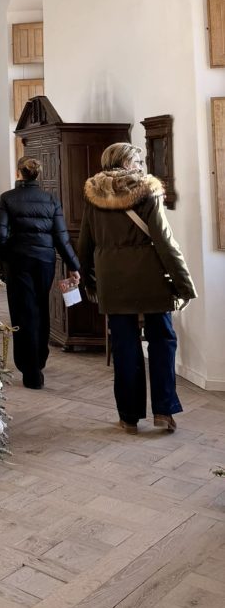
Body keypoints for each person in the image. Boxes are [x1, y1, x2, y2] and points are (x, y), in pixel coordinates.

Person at [78, 143, 196, 433]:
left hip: (112, 282)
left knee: (124, 347)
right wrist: (184, 285)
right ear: (128, 162)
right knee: (163, 342)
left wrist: (90, 281)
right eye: (138, 160)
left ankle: (129, 416)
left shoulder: (93, 193)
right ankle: (164, 411)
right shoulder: (147, 190)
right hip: (150, 279)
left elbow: (85, 244)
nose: (141, 165)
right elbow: (165, 242)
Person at [0, 156, 80, 389]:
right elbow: (61, 237)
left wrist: (5, 260)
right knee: (41, 307)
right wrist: (73, 265)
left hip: (18, 262)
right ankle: (39, 359)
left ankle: (30, 370)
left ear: (19, 172)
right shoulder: (50, 200)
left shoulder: (8, 198)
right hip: (44, 262)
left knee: (22, 313)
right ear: (37, 175)